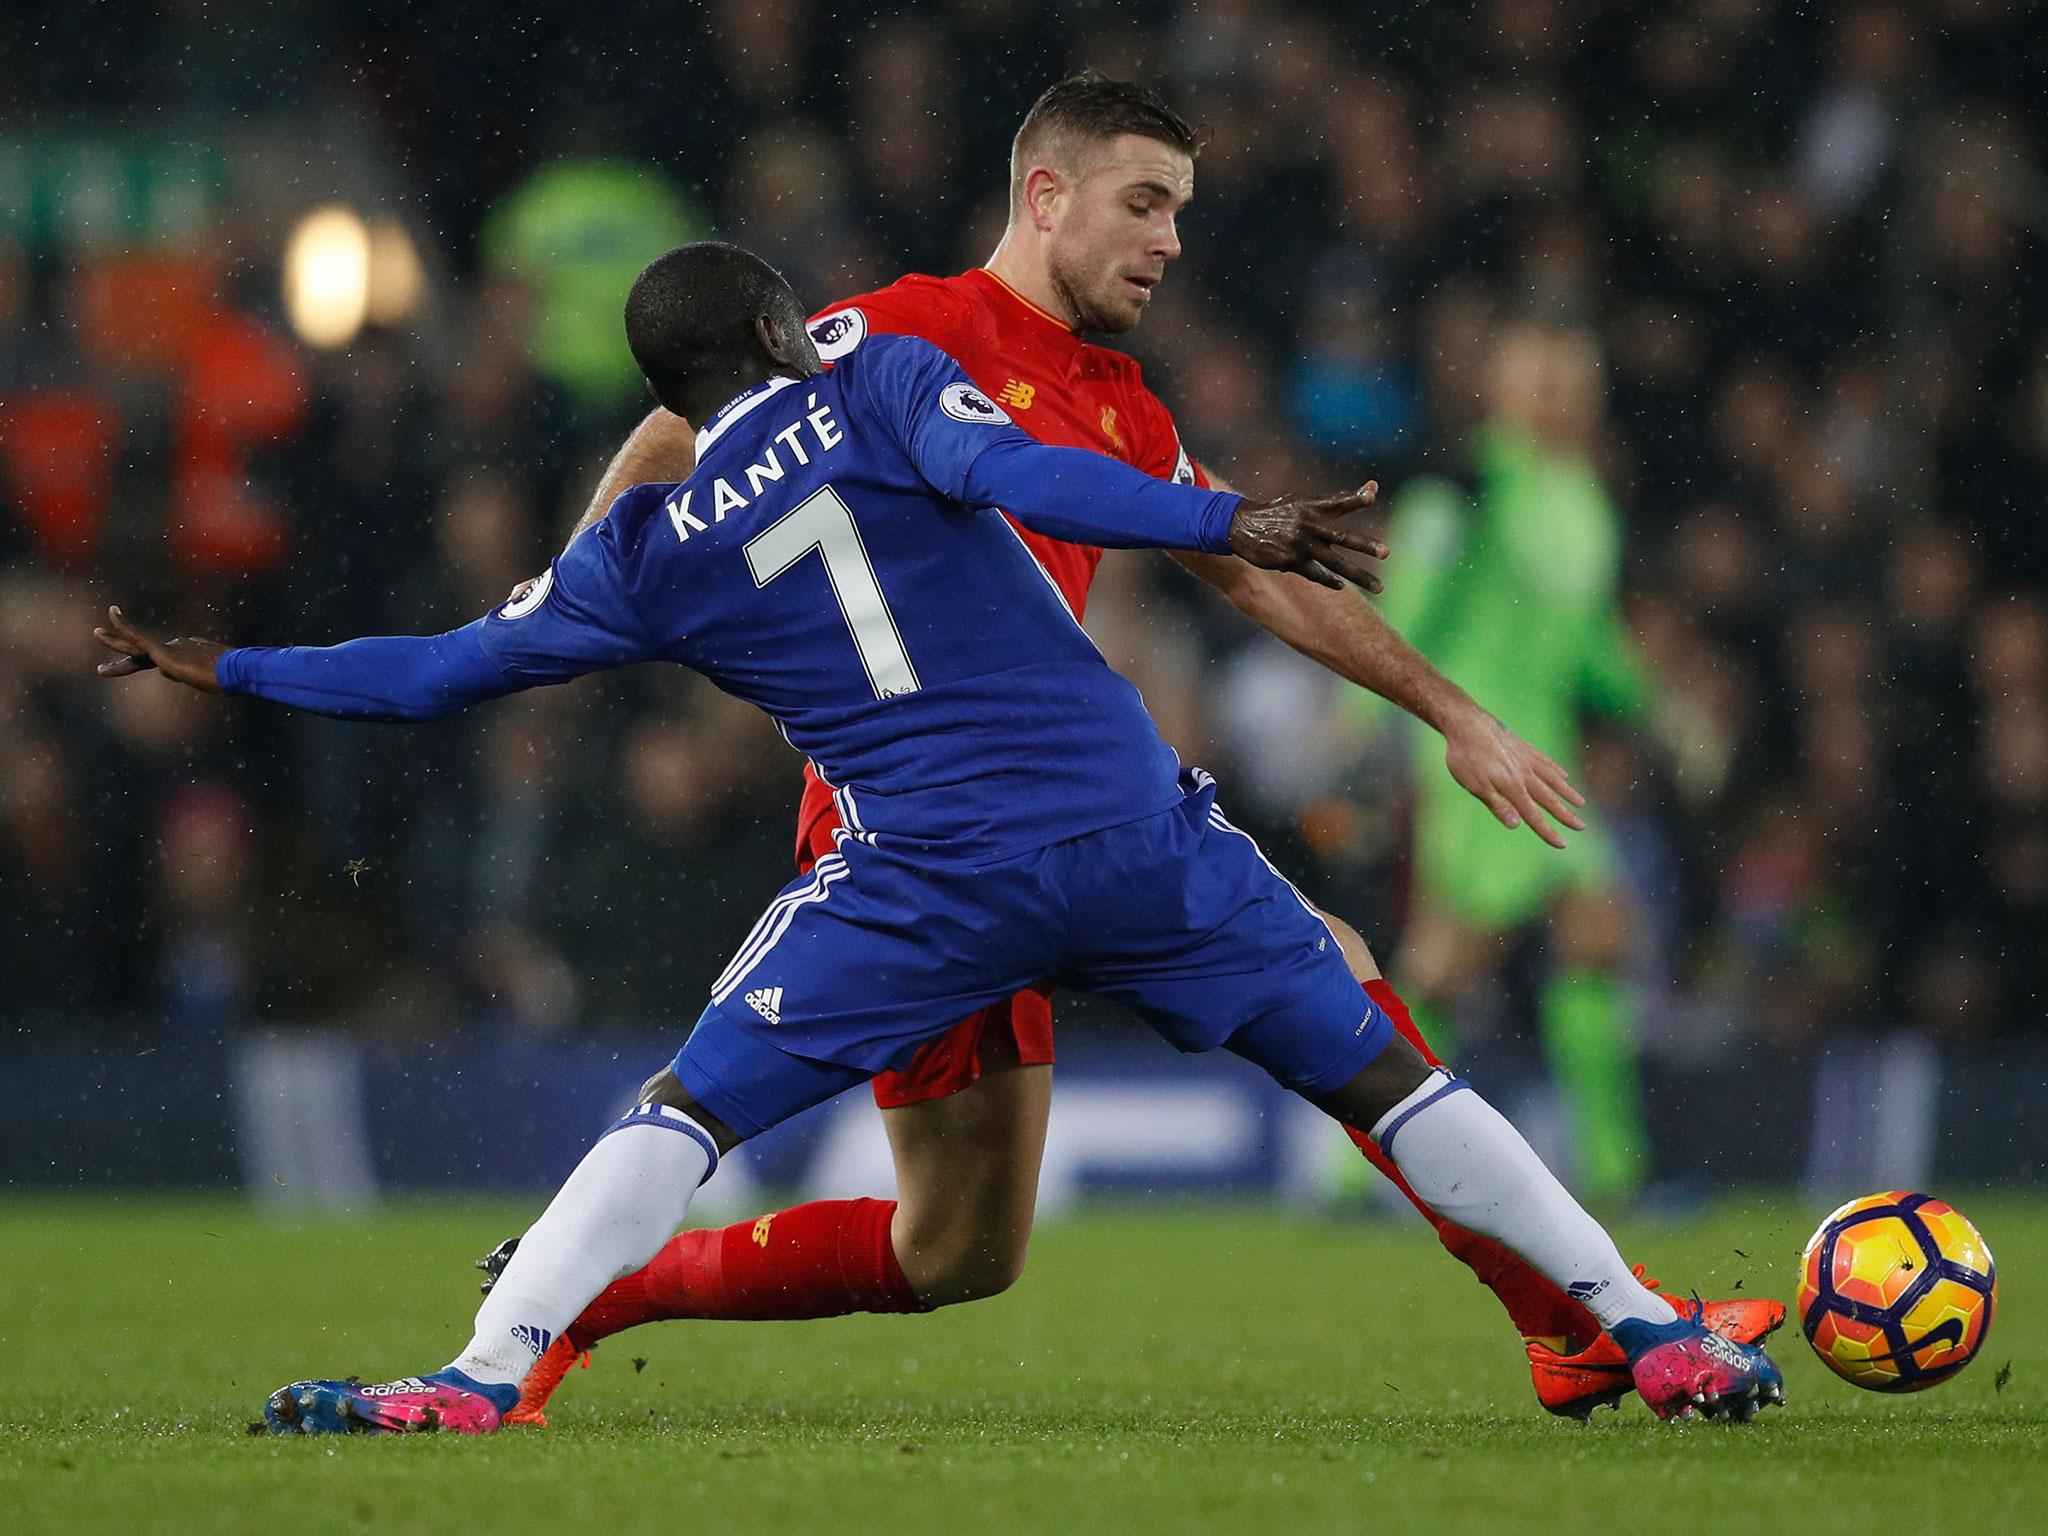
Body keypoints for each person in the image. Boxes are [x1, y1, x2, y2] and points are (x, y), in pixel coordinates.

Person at [98, 242, 1784, 1432]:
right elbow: (1047, 483)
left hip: (919, 879)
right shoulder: (888, 375)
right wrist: (1232, 515)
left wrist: (220, 661)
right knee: (1382, 1070)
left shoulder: (644, 554)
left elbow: (438, 672)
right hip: (1123, 825)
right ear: (778, 324)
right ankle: (1634, 1325)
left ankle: (481, 1369)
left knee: (688, 1107)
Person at [496, 75, 1778, 1425]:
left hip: (1078, 819)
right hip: (918, 845)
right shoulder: (896, 328)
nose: (1169, 240)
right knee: (959, 1241)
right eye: (1145, 204)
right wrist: (570, 609)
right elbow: (675, 425)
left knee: (1039, 1195)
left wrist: (1453, 714)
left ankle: (1582, 1321)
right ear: (1046, 198)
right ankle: (589, 1293)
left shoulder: (1121, 407)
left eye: (1180, 209)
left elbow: (1265, 582)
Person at [1360, 322, 1654, 1203]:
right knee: (1487, 948)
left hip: (1544, 752)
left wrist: (1659, 712)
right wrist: (1360, 713)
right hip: (1475, 749)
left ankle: (1351, 1168)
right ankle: (1616, 1171)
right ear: (1499, 386)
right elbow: (1405, 608)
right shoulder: (1465, 488)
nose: (1556, 396)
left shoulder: (1580, 495)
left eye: (1571, 378)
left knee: (1493, 954)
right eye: (1539, 379)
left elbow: (1584, 638)